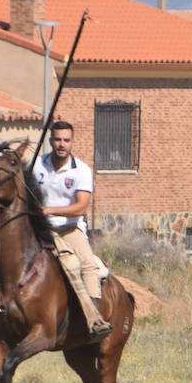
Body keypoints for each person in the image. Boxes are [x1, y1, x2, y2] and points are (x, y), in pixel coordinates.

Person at [33, 121, 112, 339]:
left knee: (87, 263)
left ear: (72, 142)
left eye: (66, 140)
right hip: (40, 227)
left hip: (69, 228)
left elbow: (81, 206)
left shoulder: (81, 170)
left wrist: (48, 210)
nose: (61, 144)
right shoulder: (37, 165)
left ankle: (94, 318)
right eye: (57, 139)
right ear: (50, 141)